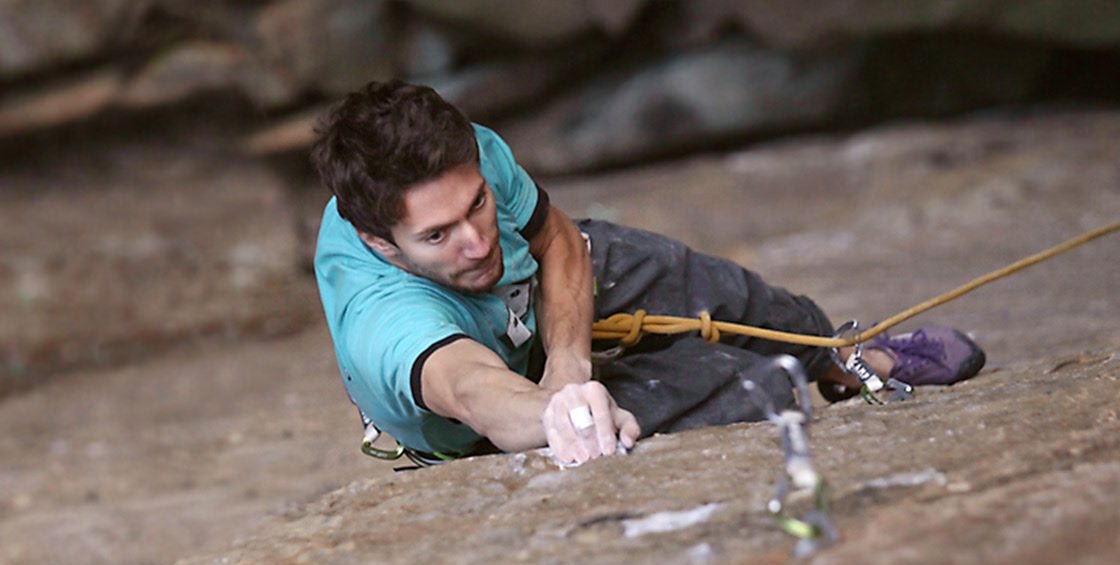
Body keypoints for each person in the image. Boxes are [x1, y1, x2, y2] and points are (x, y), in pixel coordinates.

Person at [310, 80, 985, 465]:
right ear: (383, 243)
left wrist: (570, 363)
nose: (477, 240)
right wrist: (564, 407)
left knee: (698, 281)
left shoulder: (466, 155)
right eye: (438, 235)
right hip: (503, 418)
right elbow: (476, 393)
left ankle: (840, 356)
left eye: (478, 206)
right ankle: (787, 379)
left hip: (544, 348)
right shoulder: (386, 322)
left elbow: (561, 242)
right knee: (749, 394)